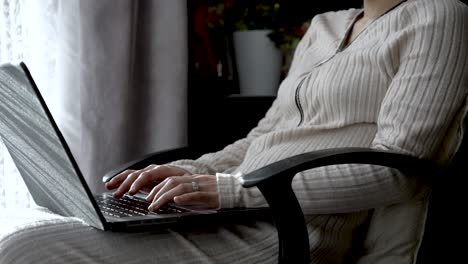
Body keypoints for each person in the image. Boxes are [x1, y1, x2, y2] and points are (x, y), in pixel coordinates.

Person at [2, 0, 467, 263]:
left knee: (29, 251)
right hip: (229, 211)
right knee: (29, 235)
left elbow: (399, 169)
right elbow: (262, 137)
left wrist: (229, 190)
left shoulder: (438, 16)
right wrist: (186, 173)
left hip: (293, 227)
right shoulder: (326, 25)